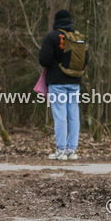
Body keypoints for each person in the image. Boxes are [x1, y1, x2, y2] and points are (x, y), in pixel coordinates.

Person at [38, 9, 88, 161]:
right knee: (74, 115)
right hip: (74, 82)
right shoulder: (77, 37)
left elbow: (44, 60)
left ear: (56, 21)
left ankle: (61, 150)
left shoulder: (52, 37)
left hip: (57, 82)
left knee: (60, 116)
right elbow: (86, 59)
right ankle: (72, 150)